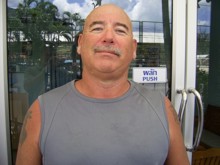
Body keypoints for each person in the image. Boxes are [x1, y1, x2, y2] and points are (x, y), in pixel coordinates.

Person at [16, 4, 190, 165]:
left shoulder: (162, 108)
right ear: (80, 43)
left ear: (134, 48)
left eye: (120, 31)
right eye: (97, 28)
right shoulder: (41, 111)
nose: (108, 37)